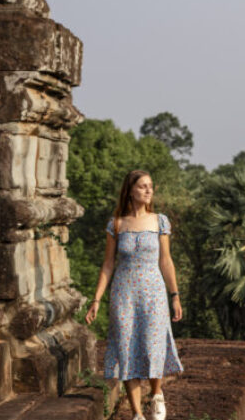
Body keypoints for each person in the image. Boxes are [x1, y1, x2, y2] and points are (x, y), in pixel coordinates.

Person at [85, 170, 184, 420]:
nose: (148, 190)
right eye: (142, 186)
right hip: (124, 292)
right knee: (127, 347)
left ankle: (156, 394)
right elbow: (108, 264)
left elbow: (166, 260)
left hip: (153, 291)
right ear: (130, 190)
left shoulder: (159, 221)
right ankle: (138, 414)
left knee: (153, 344)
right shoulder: (117, 223)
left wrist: (175, 295)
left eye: (150, 186)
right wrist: (96, 299)